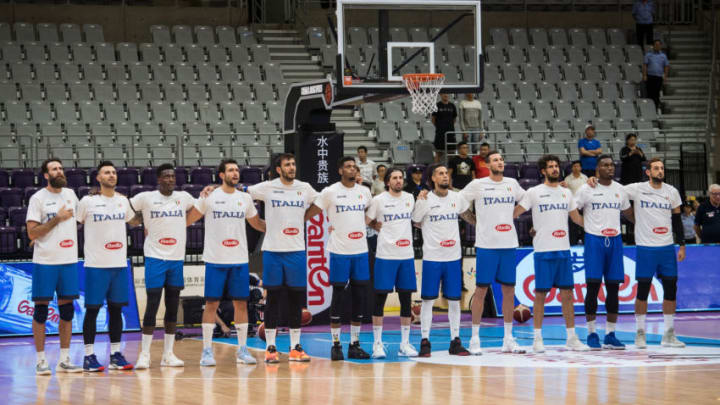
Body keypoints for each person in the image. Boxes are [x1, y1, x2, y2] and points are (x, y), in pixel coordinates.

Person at [592, 157, 686, 348]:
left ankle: (669, 333)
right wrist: (592, 180)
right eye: (656, 168)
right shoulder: (637, 188)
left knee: (670, 289)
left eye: (662, 168)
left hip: (667, 247)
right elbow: (612, 187)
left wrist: (682, 244)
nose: (660, 171)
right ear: (648, 172)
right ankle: (640, 333)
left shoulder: (672, 192)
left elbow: (677, 220)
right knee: (643, 290)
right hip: (645, 247)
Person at [186, 159, 266, 366]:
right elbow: (189, 219)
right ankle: (206, 351)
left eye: (237, 170)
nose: (235, 173)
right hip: (215, 259)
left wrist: (280, 227)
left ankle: (242, 350)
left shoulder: (245, 198)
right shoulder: (209, 196)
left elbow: (256, 223)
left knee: (241, 303)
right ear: (221, 175)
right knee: (211, 303)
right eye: (230, 170)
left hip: (239, 259)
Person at [247, 153, 319, 363]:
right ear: (278, 169)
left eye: (293, 164)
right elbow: (242, 194)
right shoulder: (267, 187)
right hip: (273, 251)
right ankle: (271, 347)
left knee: (296, 299)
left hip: (296, 250)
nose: (291, 167)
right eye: (287, 164)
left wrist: (305, 217)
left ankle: (295, 347)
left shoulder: (304, 187)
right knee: (274, 299)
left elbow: (323, 201)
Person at [513, 155, 589, 353]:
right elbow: (515, 213)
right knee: (540, 295)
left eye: (556, 166)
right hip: (543, 250)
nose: (555, 169)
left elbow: (577, 219)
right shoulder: (534, 192)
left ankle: (571, 337)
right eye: (551, 167)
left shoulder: (566, 193)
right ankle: (537, 339)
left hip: (563, 250)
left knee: (567, 295)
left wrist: (598, 223)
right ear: (543, 171)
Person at [130, 163, 199, 369]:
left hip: (176, 259)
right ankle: (144, 354)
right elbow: (124, 208)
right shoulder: (146, 198)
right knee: (152, 304)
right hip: (154, 257)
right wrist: (140, 221)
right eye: (166, 176)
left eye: (172, 176)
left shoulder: (184, 197)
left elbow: (199, 208)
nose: (170, 179)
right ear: (159, 179)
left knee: (172, 306)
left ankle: (168, 354)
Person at [460, 151, 528, 355]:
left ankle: (508, 338)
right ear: (487, 165)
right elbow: (460, 205)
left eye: (501, 159)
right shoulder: (477, 184)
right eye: (495, 160)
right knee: (480, 291)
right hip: (487, 245)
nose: (500, 162)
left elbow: (526, 201)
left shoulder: (512, 183)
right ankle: (474, 339)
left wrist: (511, 215)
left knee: (509, 291)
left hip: (508, 244)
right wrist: (474, 221)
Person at [305, 156, 373, 361]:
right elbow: (310, 213)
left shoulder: (365, 192)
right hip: (339, 252)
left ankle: (354, 343)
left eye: (354, 166)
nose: (352, 169)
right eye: (348, 166)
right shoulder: (330, 192)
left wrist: (374, 224)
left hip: (360, 251)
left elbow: (372, 211)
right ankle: (336, 344)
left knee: (359, 297)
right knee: (338, 295)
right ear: (340, 170)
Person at [77, 161, 139, 372]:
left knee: (116, 310)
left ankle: (115, 354)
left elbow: (135, 222)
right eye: (107, 172)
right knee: (93, 311)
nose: (111, 175)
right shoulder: (87, 201)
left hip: (119, 265)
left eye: (113, 172)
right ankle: (88, 356)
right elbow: (73, 223)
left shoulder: (123, 201)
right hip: (96, 265)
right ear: (98, 178)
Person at [26, 159, 82, 374]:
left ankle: (65, 359)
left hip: (68, 261)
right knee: (41, 312)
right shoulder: (38, 198)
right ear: (46, 175)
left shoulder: (70, 194)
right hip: (45, 262)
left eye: (60, 168)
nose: (59, 171)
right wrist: (56, 220)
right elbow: (32, 233)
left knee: (67, 311)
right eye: (54, 169)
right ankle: (41, 361)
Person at [413, 164, 474, 357]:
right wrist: (420, 202)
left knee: (455, 301)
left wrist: (484, 224)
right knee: (428, 301)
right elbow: (415, 220)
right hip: (432, 257)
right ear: (432, 178)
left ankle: (455, 341)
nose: (445, 176)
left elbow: (468, 216)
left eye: (446, 173)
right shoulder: (425, 198)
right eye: (440, 173)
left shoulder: (457, 198)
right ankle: (425, 341)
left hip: (453, 258)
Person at [573, 156, 634, 350]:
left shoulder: (620, 190)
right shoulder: (586, 188)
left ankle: (610, 334)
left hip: (615, 241)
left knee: (614, 288)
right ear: (598, 168)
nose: (610, 168)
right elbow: (573, 210)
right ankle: (591, 333)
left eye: (612, 165)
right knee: (592, 287)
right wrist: (587, 226)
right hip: (594, 241)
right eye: (605, 165)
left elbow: (629, 213)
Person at [366, 168, 418, 358]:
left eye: (400, 177)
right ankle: (377, 344)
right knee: (380, 300)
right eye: (394, 178)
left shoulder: (410, 198)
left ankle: (404, 344)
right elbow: (366, 219)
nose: (398, 180)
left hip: (406, 256)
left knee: (406, 300)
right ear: (387, 182)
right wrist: (373, 225)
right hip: (385, 256)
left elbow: (417, 220)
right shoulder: (378, 200)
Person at [563, 161, 588, 245]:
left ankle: (585, 241)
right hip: (572, 206)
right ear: (572, 168)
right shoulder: (567, 179)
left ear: (580, 168)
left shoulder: (585, 178)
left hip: (584, 205)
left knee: (584, 224)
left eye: (578, 166)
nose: (576, 168)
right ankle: (573, 242)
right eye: (574, 166)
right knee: (573, 225)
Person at [643, 39, 669, 109]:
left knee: (656, 94)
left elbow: (666, 66)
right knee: (649, 93)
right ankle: (648, 109)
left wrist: (665, 77)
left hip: (658, 77)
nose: (657, 46)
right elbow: (645, 65)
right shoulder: (648, 55)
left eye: (658, 45)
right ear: (653, 46)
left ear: (660, 46)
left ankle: (655, 109)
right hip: (650, 77)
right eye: (656, 45)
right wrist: (645, 75)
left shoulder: (663, 56)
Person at [432, 93, 457, 162]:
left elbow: (454, 119)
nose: (446, 95)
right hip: (440, 133)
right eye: (444, 94)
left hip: (450, 133)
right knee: (438, 152)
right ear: (441, 95)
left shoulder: (452, 105)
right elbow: (433, 119)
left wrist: (449, 126)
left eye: (447, 94)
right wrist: (440, 127)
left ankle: (450, 169)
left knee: (451, 153)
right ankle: (436, 168)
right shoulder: (437, 105)